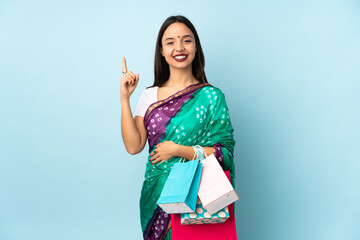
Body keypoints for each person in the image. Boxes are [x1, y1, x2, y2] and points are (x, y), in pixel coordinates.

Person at [120, 15, 235, 240]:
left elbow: (226, 154)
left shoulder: (212, 96)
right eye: (170, 42)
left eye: (186, 40)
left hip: (200, 193)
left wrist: (178, 150)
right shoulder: (149, 95)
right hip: (157, 196)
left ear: (196, 46)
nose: (179, 48)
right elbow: (133, 147)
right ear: (161, 51)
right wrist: (125, 99)